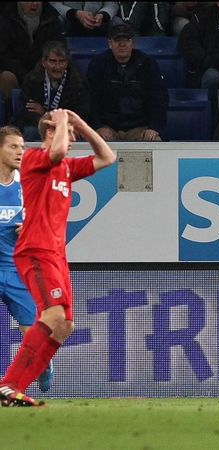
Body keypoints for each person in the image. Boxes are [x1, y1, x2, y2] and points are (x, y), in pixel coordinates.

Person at [0, 108, 116, 406]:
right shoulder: (35, 159)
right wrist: (62, 120)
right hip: (35, 250)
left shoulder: (65, 167)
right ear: (49, 132)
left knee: (65, 326)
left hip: (56, 255)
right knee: (52, 316)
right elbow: (59, 149)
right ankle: (9, 384)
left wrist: (81, 124)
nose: (72, 136)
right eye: (66, 130)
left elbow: (108, 158)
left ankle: (14, 390)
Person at [0, 126, 54, 393]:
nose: (20, 152)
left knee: (30, 332)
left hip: (16, 267)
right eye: (13, 146)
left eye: (22, 147)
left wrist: (32, 223)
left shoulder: (28, 182)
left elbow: (49, 218)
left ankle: (43, 365)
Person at [87, 22, 168, 141]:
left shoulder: (148, 64)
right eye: (117, 40)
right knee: (95, 143)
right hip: (107, 128)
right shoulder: (98, 64)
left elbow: (159, 98)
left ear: (133, 43)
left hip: (139, 128)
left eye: (127, 40)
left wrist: (154, 128)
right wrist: (98, 127)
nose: (122, 44)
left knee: (155, 141)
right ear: (110, 43)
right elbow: (89, 100)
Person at [14, 40, 90, 143]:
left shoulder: (78, 82)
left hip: (67, 125)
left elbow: (81, 112)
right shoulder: (32, 80)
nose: (57, 67)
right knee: (30, 132)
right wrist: (51, 124)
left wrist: (45, 113)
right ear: (44, 62)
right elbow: (27, 112)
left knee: (80, 133)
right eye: (53, 61)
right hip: (38, 125)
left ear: (67, 62)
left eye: (62, 61)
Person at [0, 1, 65, 119]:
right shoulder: (5, 18)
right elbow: (3, 55)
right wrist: (25, 75)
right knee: (7, 78)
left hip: (43, 69)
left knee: (56, 68)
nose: (34, 4)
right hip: (15, 70)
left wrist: (38, 71)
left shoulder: (51, 18)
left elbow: (58, 49)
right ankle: (10, 118)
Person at [50, 1, 118, 37]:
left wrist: (102, 15)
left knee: (117, 22)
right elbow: (54, 4)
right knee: (55, 21)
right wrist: (75, 14)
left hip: (98, 22)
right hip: (68, 21)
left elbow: (112, 4)